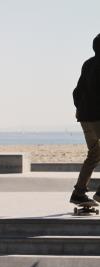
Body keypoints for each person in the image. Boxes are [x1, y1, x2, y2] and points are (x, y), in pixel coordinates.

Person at [70, 34, 100, 206]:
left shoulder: (88, 63)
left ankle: (79, 193)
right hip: (97, 116)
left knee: (94, 155)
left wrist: (80, 110)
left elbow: (76, 92)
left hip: (85, 117)